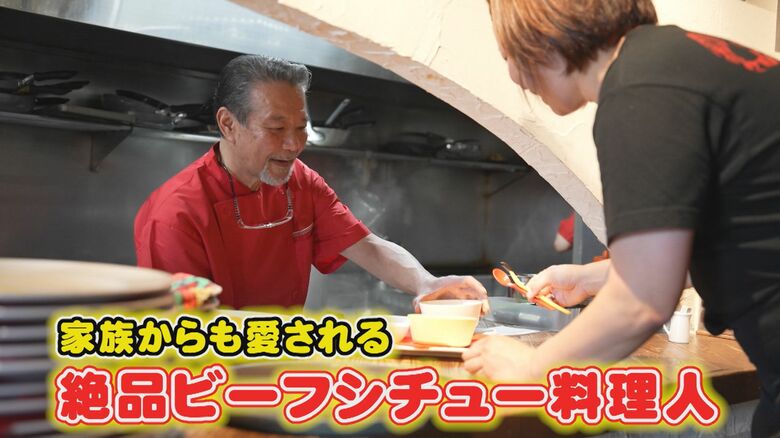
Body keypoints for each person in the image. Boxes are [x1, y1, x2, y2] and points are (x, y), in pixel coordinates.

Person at [463, 1, 779, 435]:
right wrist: (595, 278)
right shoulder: (686, 63)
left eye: (510, 56)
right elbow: (741, 235)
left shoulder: (640, 87)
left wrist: (531, 368)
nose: (515, 77)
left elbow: (641, 302)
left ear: (544, 34)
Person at [134, 55, 488, 311]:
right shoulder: (175, 213)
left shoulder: (301, 181)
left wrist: (427, 283)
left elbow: (365, 244)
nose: (293, 144)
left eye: (301, 127)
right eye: (276, 128)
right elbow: (181, 327)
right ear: (228, 124)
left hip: (278, 361)